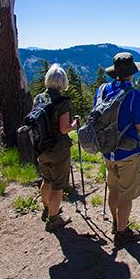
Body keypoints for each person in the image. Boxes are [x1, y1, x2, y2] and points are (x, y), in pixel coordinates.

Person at [96, 52, 140, 246]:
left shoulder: (102, 90)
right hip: (128, 153)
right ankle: (122, 232)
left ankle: (115, 222)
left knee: (113, 189)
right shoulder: (134, 96)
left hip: (107, 150)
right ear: (131, 73)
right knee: (126, 195)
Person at [36, 64, 80, 231]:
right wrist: (74, 124)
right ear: (63, 82)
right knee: (58, 185)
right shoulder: (62, 102)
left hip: (42, 146)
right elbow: (64, 128)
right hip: (58, 148)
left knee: (46, 180)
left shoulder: (39, 98)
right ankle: (54, 219)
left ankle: (47, 209)